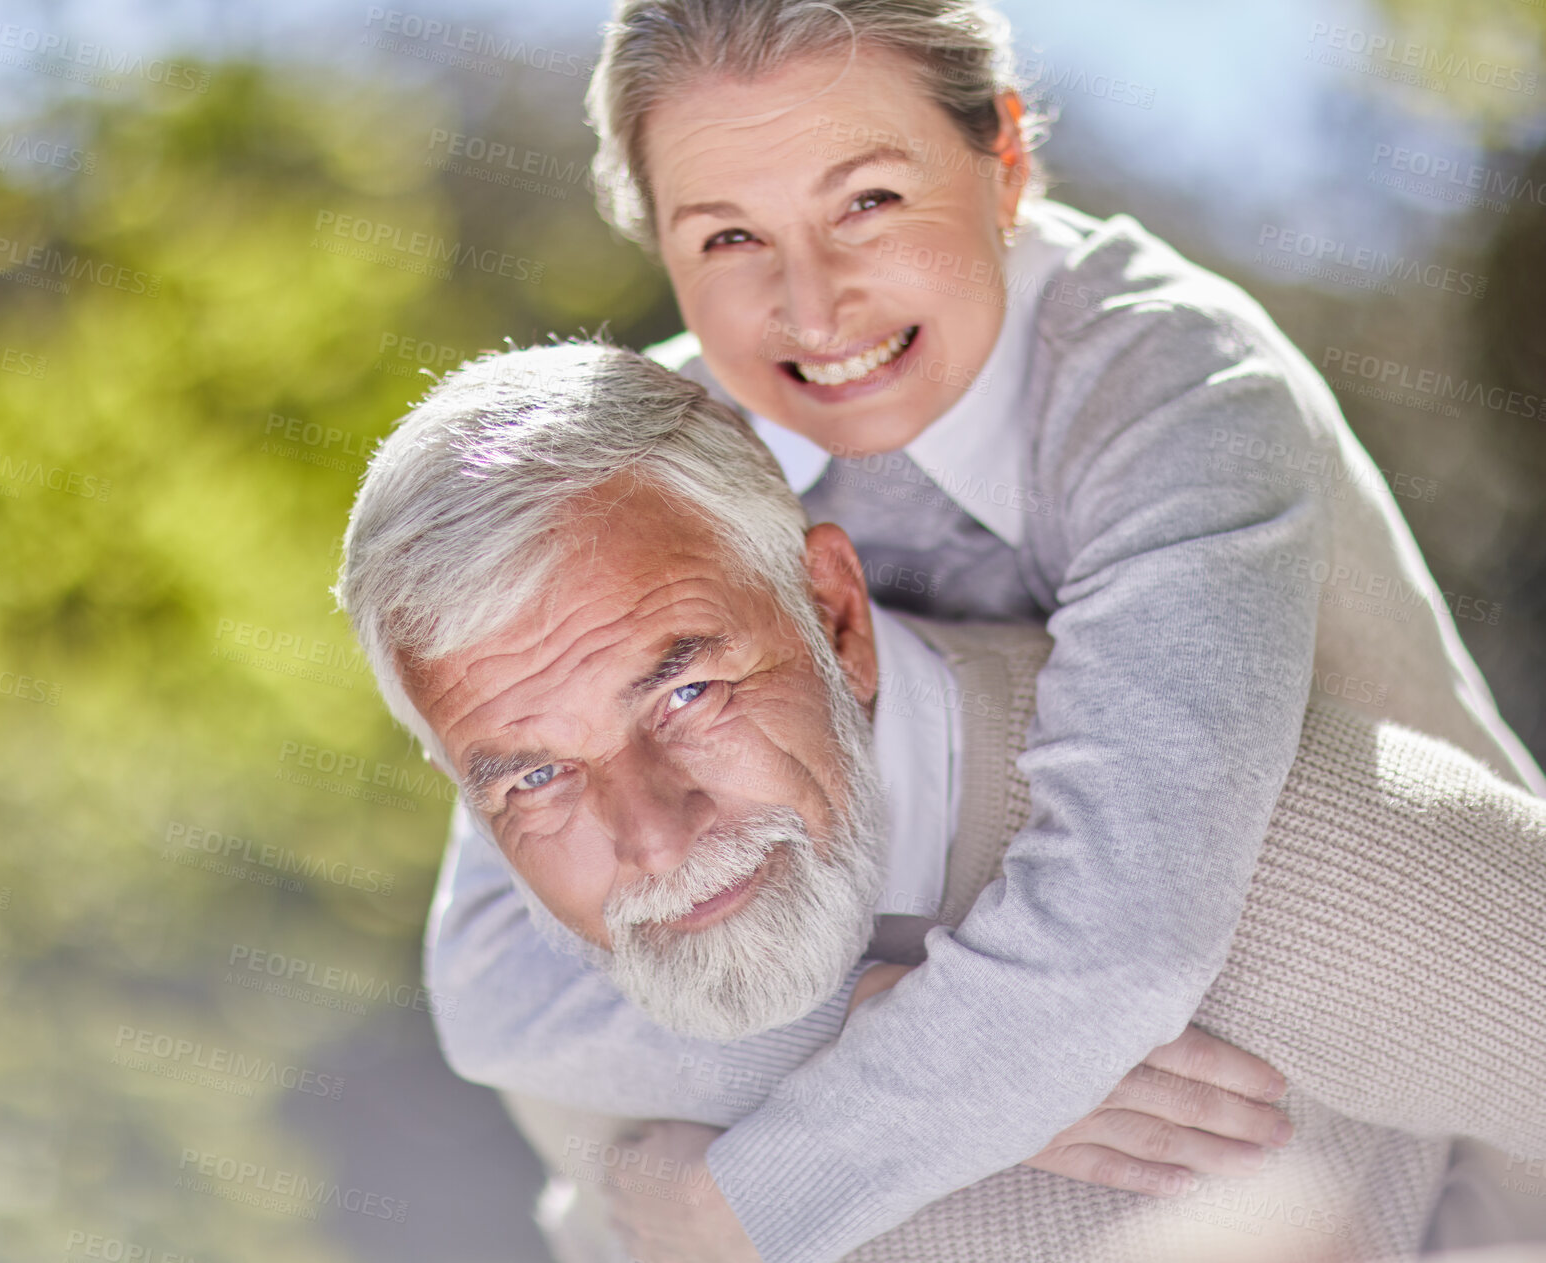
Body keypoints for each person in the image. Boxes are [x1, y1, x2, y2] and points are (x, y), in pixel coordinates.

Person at [428, 1, 1546, 1257]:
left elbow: (1122, 933)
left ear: (1003, 160)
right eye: (729, 234)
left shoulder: (1175, 387)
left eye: (867, 203)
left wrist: (747, 1195)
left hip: (1460, 1122)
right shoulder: (655, 474)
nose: (812, 307)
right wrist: (863, 1019)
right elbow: (490, 980)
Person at [338, 344, 1546, 1263]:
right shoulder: (590, 968)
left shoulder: (1288, 850)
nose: (652, 838)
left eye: (687, 692)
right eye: (534, 774)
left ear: (837, 619)